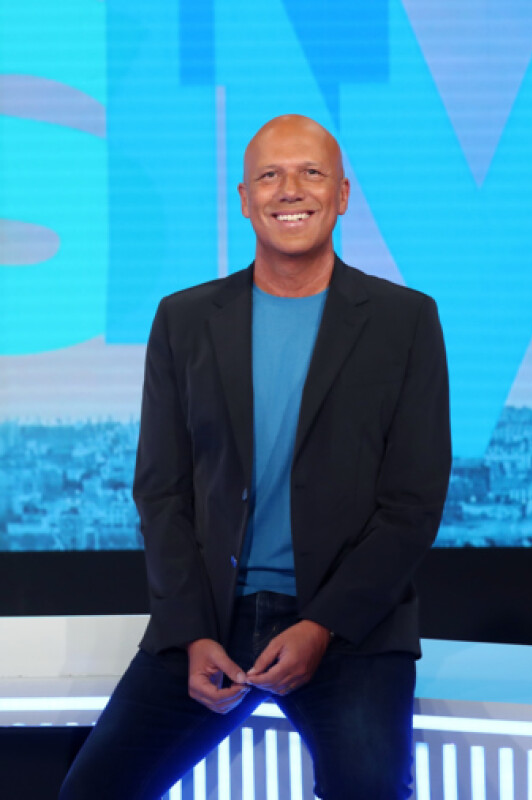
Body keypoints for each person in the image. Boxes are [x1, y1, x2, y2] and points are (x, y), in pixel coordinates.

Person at [59, 114, 451, 799]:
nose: (289, 190)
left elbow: (412, 504)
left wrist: (321, 627)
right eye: (269, 175)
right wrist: (189, 632)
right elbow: (161, 491)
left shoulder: (405, 320)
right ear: (244, 198)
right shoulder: (184, 320)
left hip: (352, 625)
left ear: (342, 194)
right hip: (211, 617)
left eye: (310, 173)